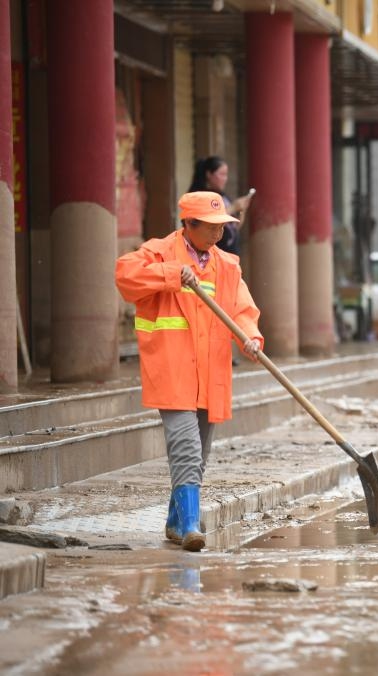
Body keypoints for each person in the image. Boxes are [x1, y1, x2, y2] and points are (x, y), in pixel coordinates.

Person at [114, 191, 263, 551]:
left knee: (201, 452)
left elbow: (242, 309)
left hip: (210, 373)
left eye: (222, 227)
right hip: (172, 368)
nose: (218, 234)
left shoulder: (226, 265)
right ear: (188, 224)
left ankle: (175, 522)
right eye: (210, 227)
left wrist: (251, 338)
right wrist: (169, 274)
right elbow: (125, 276)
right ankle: (192, 527)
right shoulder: (161, 252)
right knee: (186, 448)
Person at [188, 156, 253, 256]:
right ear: (209, 174)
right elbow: (208, 218)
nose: (225, 179)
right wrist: (233, 207)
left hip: (229, 253)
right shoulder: (200, 196)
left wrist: (241, 210)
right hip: (210, 253)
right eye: (222, 174)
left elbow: (235, 226)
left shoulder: (222, 196)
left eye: (226, 175)